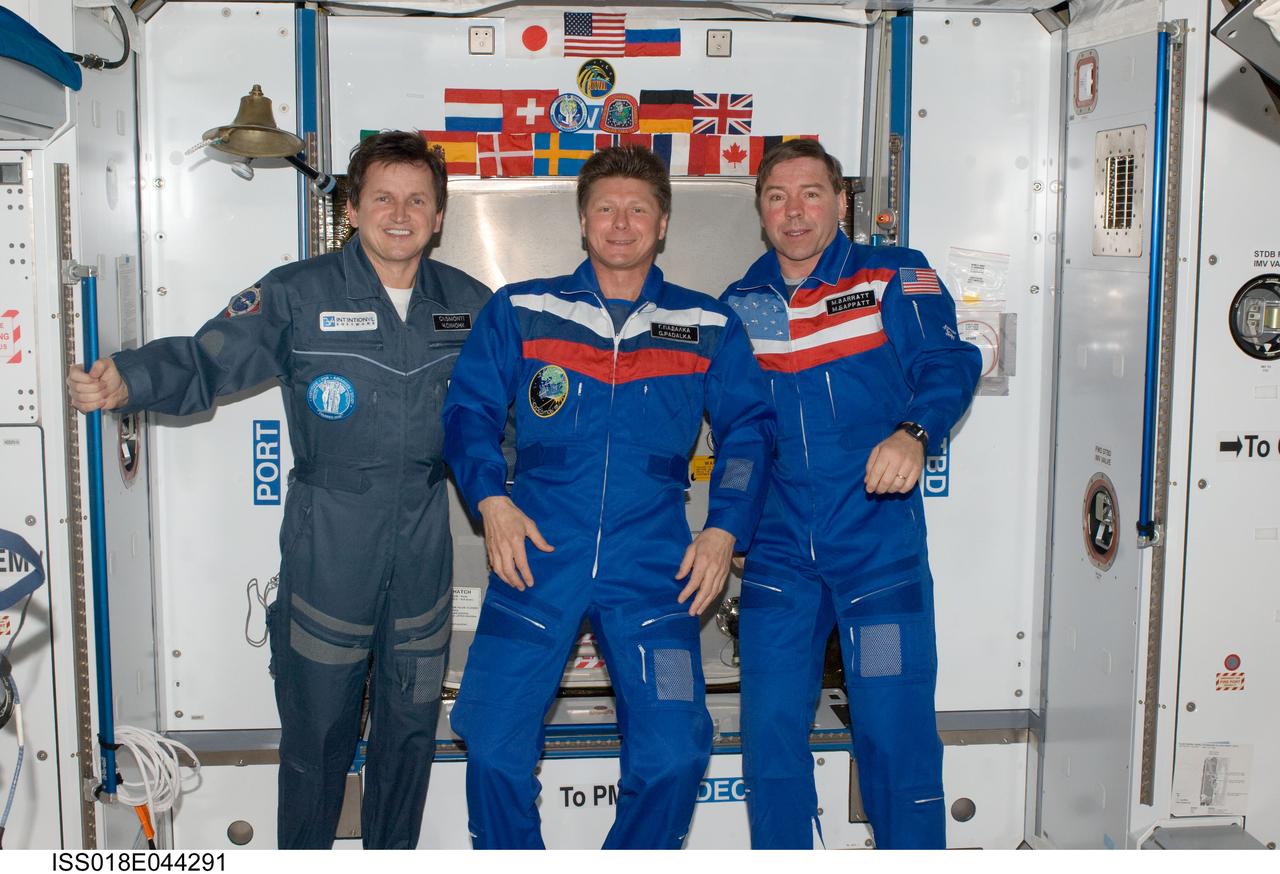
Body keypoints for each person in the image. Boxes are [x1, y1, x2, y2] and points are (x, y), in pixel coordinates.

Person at [66, 131, 491, 849]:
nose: (399, 212)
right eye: (382, 197)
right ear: (351, 209)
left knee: (410, 731)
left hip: (424, 542)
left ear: (439, 216)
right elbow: (210, 360)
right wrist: (130, 378)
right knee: (318, 734)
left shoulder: (474, 305)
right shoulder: (298, 293)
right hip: (330, 543)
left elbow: (503, 424)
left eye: (417, 199)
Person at [441, 145, 775, 849]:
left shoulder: (707, 325)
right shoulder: (522, 310)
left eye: (638, 210)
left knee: (677, 751)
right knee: (494, 745)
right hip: (533, 557)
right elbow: (468, 414)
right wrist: (491, 502)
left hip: (654, 567)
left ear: (662, 225)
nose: (621, 224)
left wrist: (722, 532)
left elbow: (748, 434)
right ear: (583, 222)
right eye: (606, 209)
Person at [720, 139, 981, 849]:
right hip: (779, 558)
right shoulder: (741, 304)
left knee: (894, 738)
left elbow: (950, 362)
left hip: (877, 548)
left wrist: (914, 432)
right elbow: (742, 433)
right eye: (777, 196)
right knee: (770, 740)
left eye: (810, 194)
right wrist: (733, 531)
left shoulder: (894, 275)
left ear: (842, 203)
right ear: (761, 211)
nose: (794, 211)